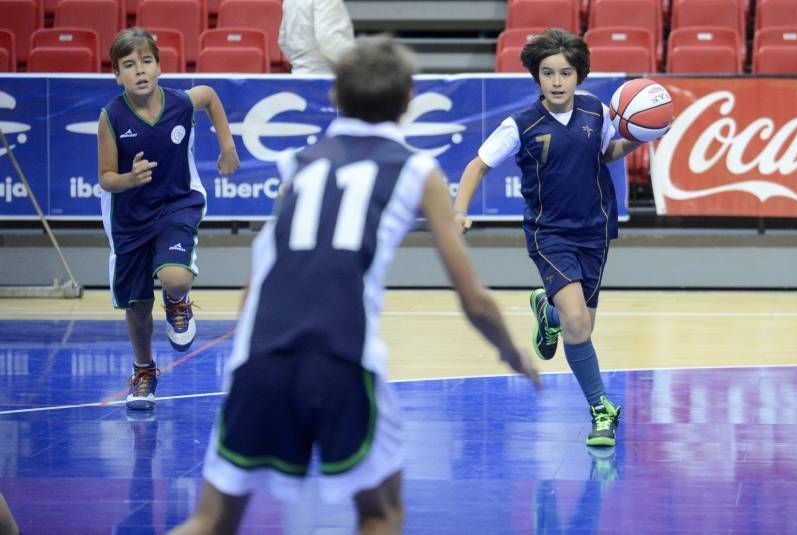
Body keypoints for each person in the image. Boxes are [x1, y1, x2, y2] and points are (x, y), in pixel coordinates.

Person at [169, 36, 539, 535]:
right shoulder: (417, 170)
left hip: (258, 360)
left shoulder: (297, 165)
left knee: (211, 520)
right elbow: (472, 297)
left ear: (333, 98)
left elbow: (256, 284)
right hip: (342, 360)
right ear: (408, 102)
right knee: (381, 513)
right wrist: (512, 356)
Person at [453, 28, 658, 447]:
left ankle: (546, 311)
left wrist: (638, 140)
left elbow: (606, 155)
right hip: (550, 235)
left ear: (579, 74)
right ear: (536, 78)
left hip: (595, 231)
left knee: (579, 325)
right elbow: (477, 166)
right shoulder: (521, 124)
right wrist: (460, 211)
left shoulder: (597, 112)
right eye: (548, 73)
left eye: (565, 72)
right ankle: (602, 410)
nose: (558, 81)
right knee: (578, 322)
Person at [97, 27, 240, 410]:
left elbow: (209, 95)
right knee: (138, 306)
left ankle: (177, 299)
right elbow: (106, 178)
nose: (139, 70)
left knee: (174, 274)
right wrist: (129, 178)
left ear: (159, 66)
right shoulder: (111, 117)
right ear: (117, 75)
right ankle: (143, 371)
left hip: (177, 203)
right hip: (129, 216)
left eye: (146, 61)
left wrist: (227, 145)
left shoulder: (178, 102)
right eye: (129, 65)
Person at [278, 0, 355, 74]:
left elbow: (283, 40)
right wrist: (358, 60)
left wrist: (299, 62)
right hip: (326, 79)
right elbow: (329, 41)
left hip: (298, 75)